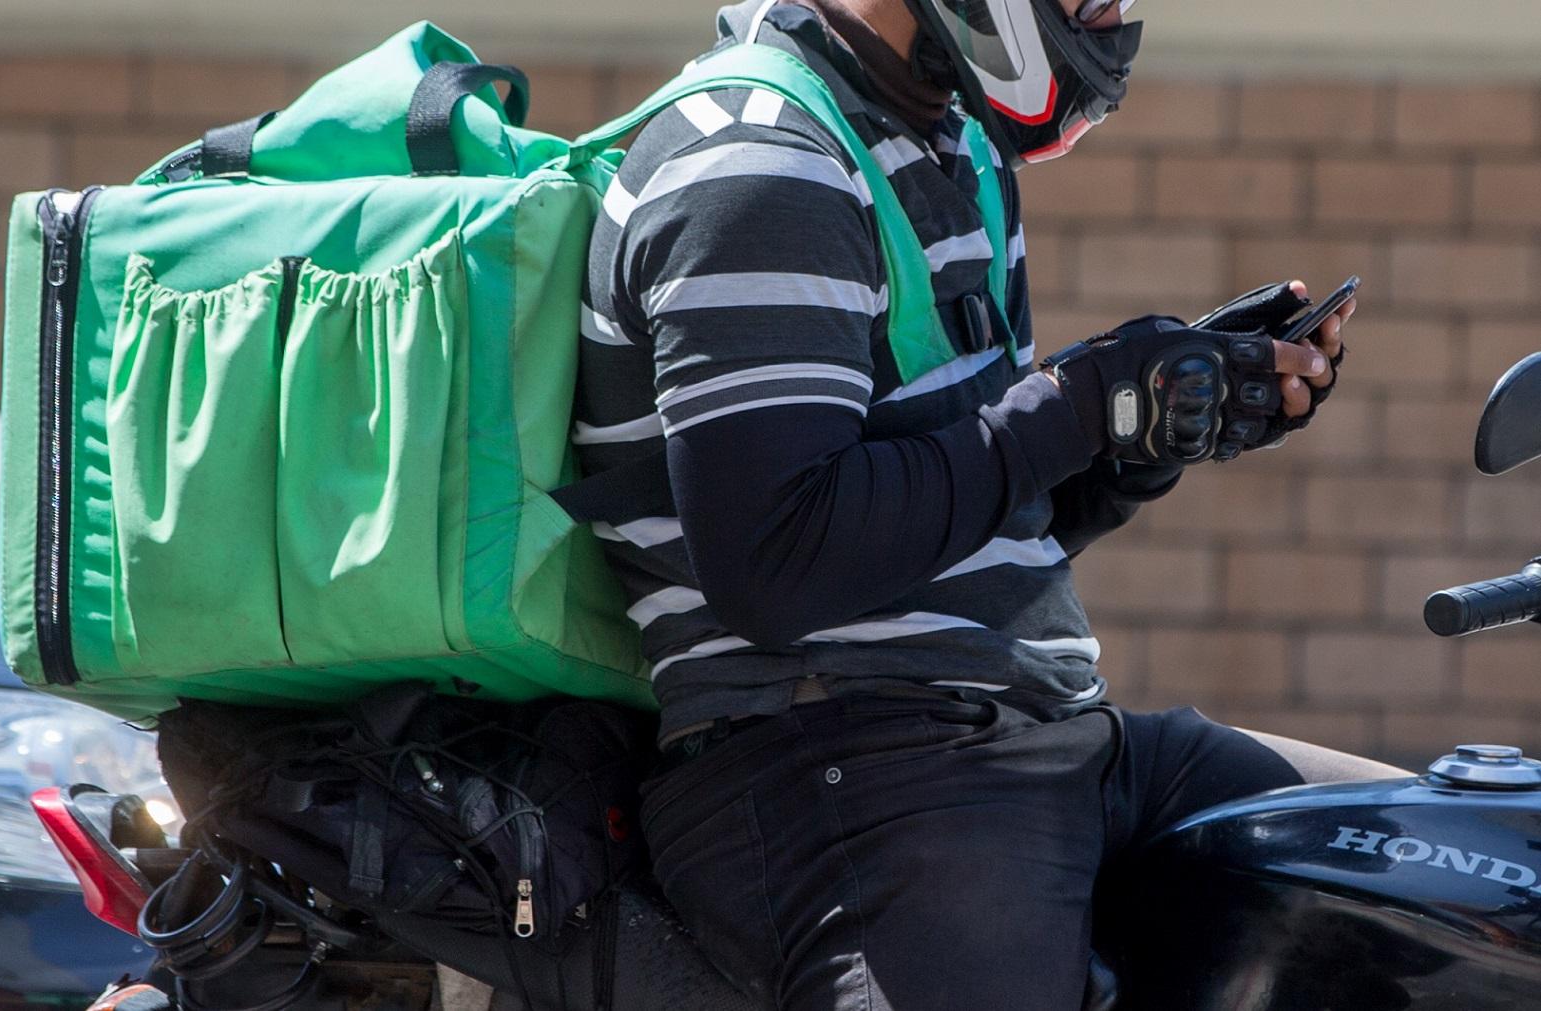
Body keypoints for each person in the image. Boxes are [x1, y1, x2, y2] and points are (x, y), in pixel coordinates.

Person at [570, 0, 1405, 1006]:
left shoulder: (951, 145)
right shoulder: (758, 161)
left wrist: (1150, 431)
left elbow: (986, 518)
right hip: (846, 770)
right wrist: (1081, 404)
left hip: (1051, 738)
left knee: (1455, 881)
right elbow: (777, 562)